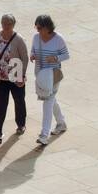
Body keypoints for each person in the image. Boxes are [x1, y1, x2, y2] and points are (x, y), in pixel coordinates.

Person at [0, 13, 28, 142]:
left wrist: (22, 75)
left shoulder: (19, 40)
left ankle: (21, 124)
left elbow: (24, 58)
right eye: (4, 23)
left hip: (15, 75)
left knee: (19, 101)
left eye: (9, 24)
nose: (6, 26)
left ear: (13, 25)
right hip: (0, 77)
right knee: (1, 105)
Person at [31, 14, 71, 147]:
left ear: (47, 27)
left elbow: (66, 55)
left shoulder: (58, 39)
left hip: (53, 76)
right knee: (51, 99)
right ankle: (61, 123)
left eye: (40, 28)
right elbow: (33, 50)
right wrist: (32, 55)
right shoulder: (36, 38)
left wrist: (55, 58)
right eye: (36, 28)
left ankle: (44, 135)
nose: (37, 31)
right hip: (41, 76)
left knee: (47, 102)